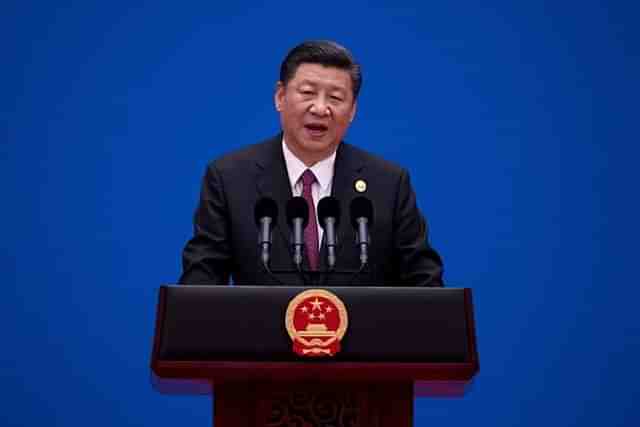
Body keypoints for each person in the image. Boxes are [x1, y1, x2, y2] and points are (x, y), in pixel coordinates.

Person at [179, 40, 443, 287]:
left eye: (336, 98)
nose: (320, 108)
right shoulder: (229, 178)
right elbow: (201, 280)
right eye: (308, 93)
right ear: (280, 97)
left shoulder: (388, 183)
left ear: (352, 111)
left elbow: (424, 282)